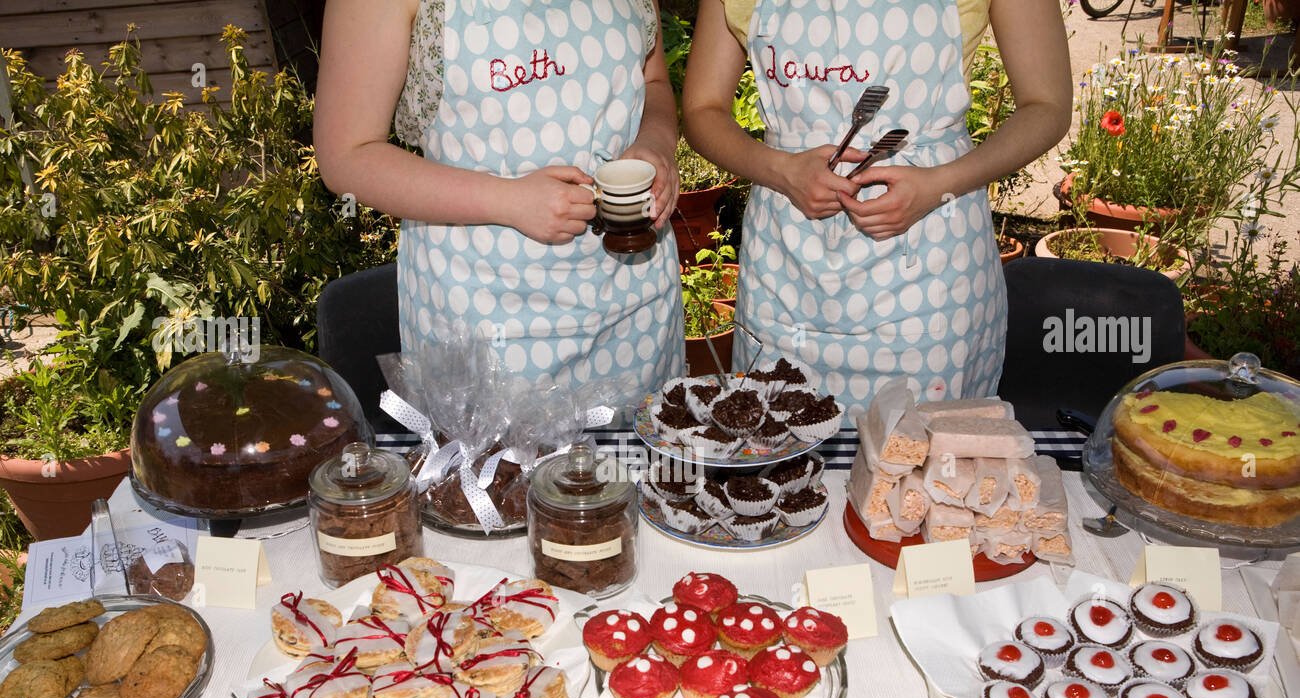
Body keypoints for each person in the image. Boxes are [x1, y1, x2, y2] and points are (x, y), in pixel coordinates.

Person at [682, 0, 1072, 418]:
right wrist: (779, 170)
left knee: (927, 465)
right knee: (777, 456)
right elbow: (702, 109)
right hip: (787, 267)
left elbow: (1046, 104)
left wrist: (940, 183)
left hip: (934, 264)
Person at [314, 0, 684, 399]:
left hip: (637, 305)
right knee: (506, 462)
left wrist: (656, 144)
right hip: (485, 317)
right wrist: (508, 200)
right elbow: (346, 156)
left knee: (639, 460)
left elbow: (653, 82)